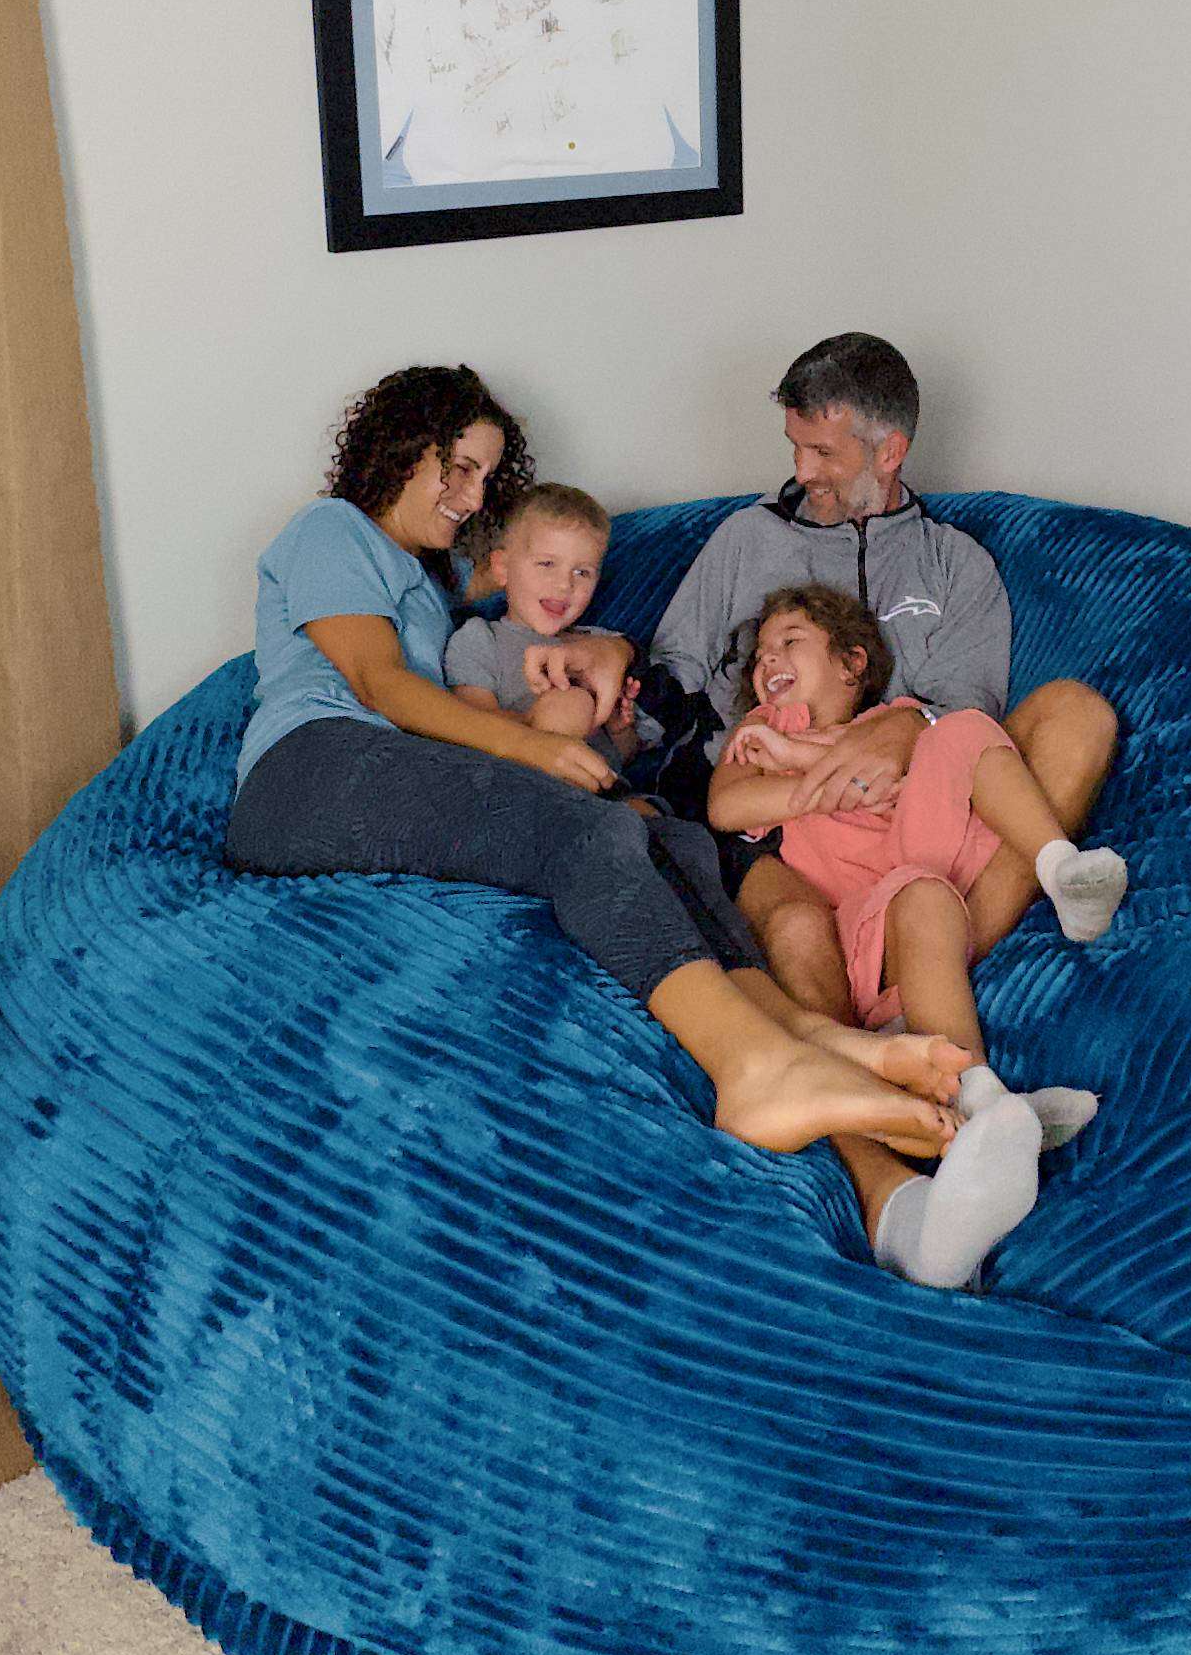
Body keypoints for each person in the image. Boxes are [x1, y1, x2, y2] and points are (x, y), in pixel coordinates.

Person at [222, 364, 966, 1163]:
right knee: (581, 831)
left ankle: (811, 1037)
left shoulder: (429, 581)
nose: (473, 498)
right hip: (307, 772)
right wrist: (536, 748)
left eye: (485, 476)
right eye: (459, 467)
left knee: (664, 839)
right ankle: (751, 1066)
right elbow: (379, 682)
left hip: (382, 771)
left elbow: (529, 580)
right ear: (404, 447)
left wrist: (607, 645)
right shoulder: (332, 529)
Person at [526, 333, 1125, 1265]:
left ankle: (957, 999)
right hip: (784, 833)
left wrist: (904, 721)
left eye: (823, 453)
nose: (799, 472)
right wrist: (610, 671)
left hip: (920, 820)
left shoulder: (952, 564)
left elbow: (979, 718)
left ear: (891, 453)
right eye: (794, 446)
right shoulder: (744, 540)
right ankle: (902, 1159)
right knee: (801, 931)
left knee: (1077, 716)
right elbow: (672, 692)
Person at [710, 586, 1124, 1286]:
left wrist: (874, 750)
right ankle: (987, 1103)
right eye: (759, 654)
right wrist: (816, 772)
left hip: (936, 855)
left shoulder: (900, 720)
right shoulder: (762, 734)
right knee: (920, 892)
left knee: (959, 731)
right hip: (878, 923)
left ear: (852, 665)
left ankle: (1061, 869)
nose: (767, 659)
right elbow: (727, 805)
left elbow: (941, 750)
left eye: (790, 641)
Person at [443, 483, 641, 770]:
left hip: (605, 791)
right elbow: (476, 724)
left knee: (649, 809)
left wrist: (619, 729)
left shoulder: (595, 647)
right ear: (502, 567)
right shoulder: (479, 638)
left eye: (581, 572)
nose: (564, 585)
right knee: (570, 703)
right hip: (523, 780)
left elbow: (621, 759)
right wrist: (561, 716)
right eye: (547, 564)